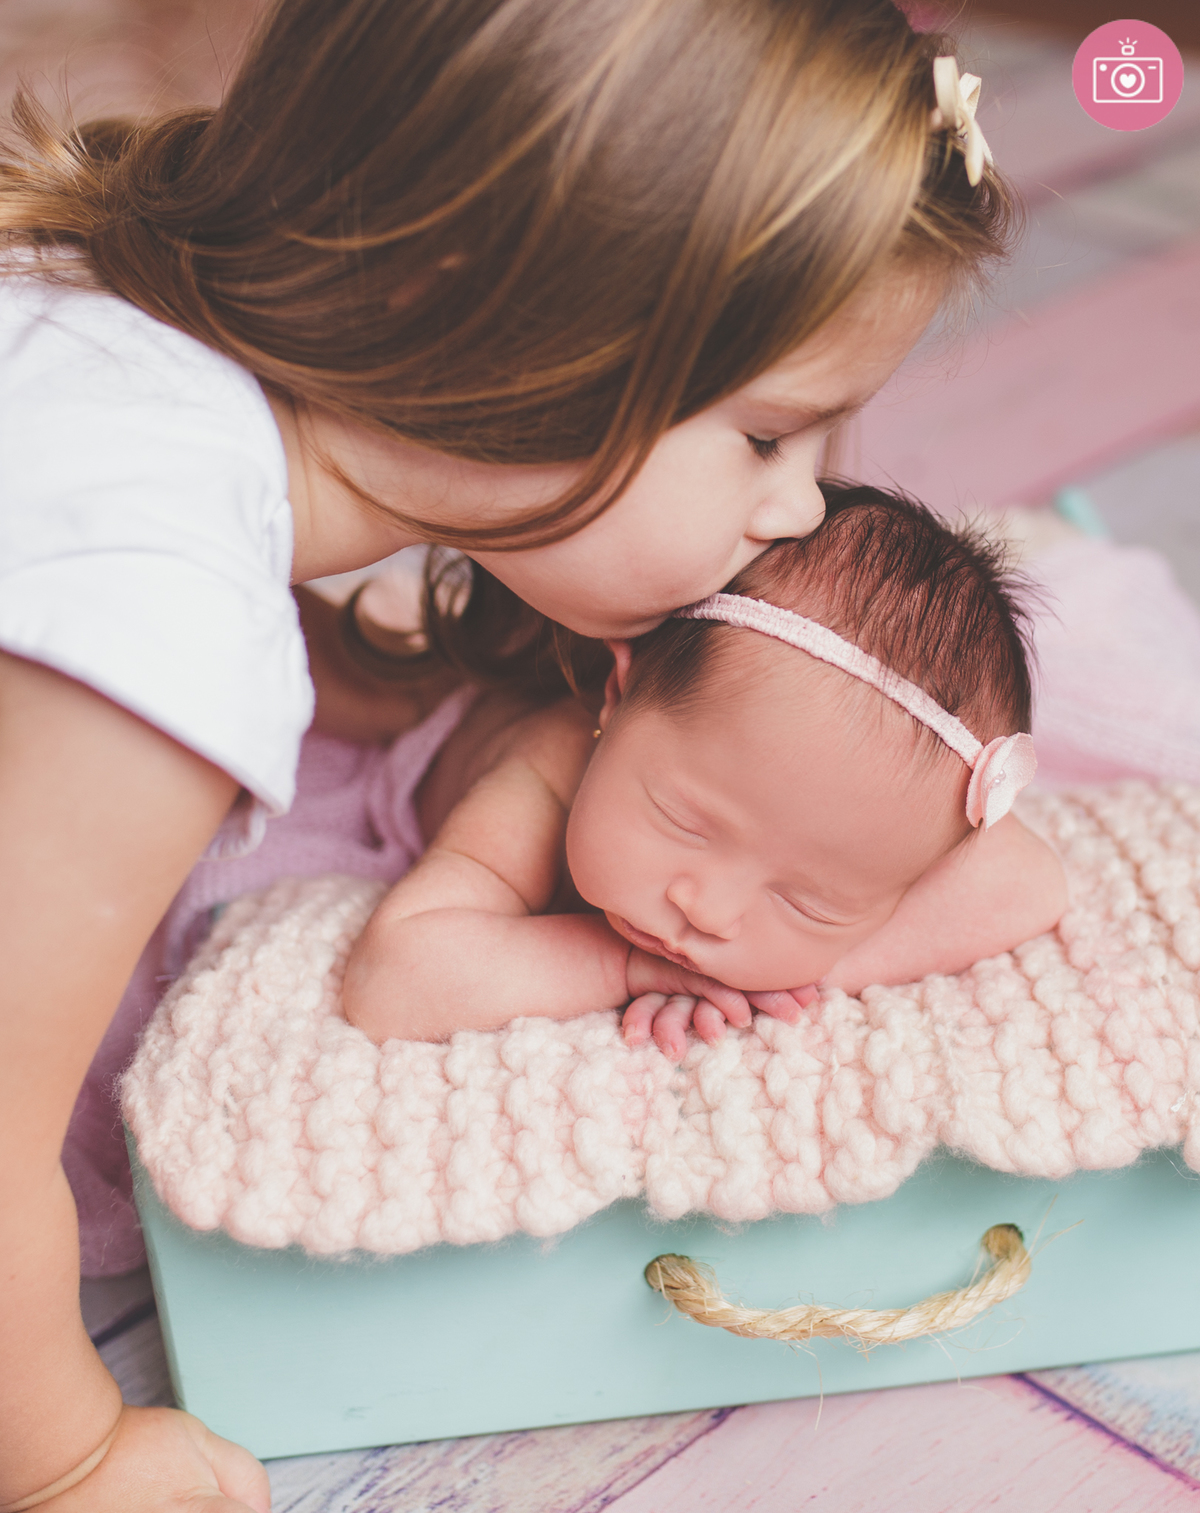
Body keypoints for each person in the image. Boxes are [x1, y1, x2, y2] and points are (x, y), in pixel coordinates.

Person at [0, 1, 1015, 1508]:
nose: (805, 508)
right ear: (487, 309)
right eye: (767, 437)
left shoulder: (108, 340)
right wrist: (70, 1453)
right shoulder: (151, 624)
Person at [341, 487, 1065, 1057]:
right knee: (373, 688)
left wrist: (782, 980)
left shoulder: (854, 810)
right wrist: (623, 970)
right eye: (685, 821)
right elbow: (394, 979)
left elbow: (1030, 882)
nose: (710, 913)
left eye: (807, 900)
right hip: (440, 729)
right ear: (618, 696)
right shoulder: (544, 775)